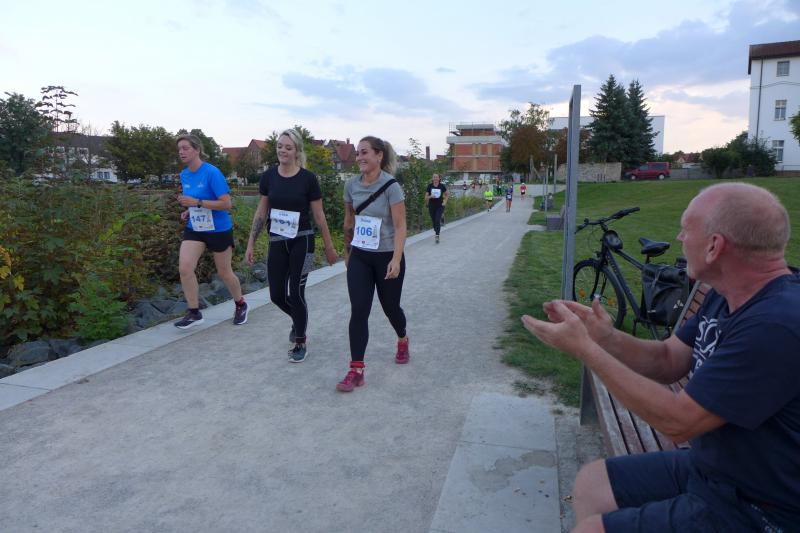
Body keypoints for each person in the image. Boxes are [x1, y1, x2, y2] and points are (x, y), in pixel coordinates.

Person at [522, 183, 800, 532]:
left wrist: (586, 350)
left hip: (760, 507)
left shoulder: (776, 324)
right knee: (594, 483)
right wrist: (605, 337)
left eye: (686, 229)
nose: (680, 237)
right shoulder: (729, 293)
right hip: (716, 469)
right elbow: (669, 359)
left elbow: (678, 422)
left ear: (714, 246)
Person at [245, 129, 338, 363]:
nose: (283, 151)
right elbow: (261, 212)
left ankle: (300, 341)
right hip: (277, 241)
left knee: (296, 292)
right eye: (280, 146)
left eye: (288, 147)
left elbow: (319, 215)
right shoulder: (269, 177)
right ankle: (298, 319)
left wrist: (329, 247)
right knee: (276, 295)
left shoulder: (308, 179)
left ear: (297, 151)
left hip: (302, 241)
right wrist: (250, 243)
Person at [338, 136, 409, 392]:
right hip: (360, 255)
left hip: (387, 256)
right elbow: (349, 220)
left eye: (364, 152)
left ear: (379, 155)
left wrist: (396, 259)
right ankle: (356, 369)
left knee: (391, 308)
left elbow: (400, 225)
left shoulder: (391, 186)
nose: (359, 157)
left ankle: (402, 338)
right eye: (357, 153)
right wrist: (347, 253)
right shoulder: (351, 185)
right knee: (359, 310)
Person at [174, 134, 248, 329]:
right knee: (185, 268)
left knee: (224, 272)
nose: (181, 152)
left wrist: (197, 203)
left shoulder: (212, 173)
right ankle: (194, 312)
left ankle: (241, 304)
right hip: (196, 228)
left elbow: (226, 204)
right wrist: (189, 211)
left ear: (197, 150)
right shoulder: (184, 175)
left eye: (185, 148)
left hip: (219, 229)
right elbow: (195, 202)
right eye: (179, 149)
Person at [425, 173, 448, 244]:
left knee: (437, 220)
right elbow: (426, 197)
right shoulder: (429, 186)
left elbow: (447, 194)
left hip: (440, 205)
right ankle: (437, 229)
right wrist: (430, 197)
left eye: (436, 177)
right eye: (434, 177)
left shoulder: (442, 186)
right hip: (431, 205)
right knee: (434, 221)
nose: (435, 178)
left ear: (439, 178)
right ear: (432, 178)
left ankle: (437, 235)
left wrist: (445, 202)